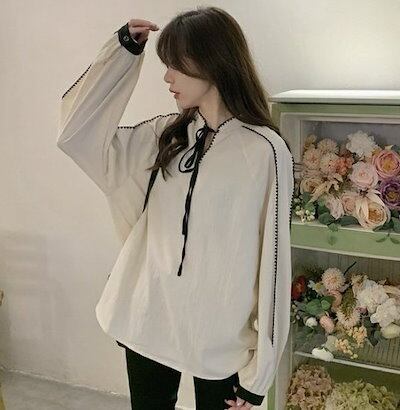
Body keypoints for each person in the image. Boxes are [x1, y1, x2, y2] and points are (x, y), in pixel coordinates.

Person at [57, 6, 295, 409]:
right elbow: (76, 136)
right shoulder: (166, 135)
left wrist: (259, 375)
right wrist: (122, 54)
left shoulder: (264, 150)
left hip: (220, 339)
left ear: (211, 60)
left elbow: (274, 263)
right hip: (148, 318)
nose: (167, 77)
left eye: (175, 65)